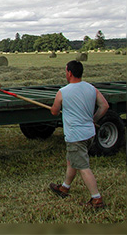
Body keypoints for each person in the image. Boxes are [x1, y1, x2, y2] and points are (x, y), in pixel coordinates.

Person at [49, 60, 109, 208]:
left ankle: (96, 199)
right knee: (72, 160)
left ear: (69, 73)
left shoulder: (63, 91)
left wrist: (57, 107)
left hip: (76, 136)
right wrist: (93, 119)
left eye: (65, 71)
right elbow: (104, 106)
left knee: (82, 166)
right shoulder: (91, 88)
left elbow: (54, 111)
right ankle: (64, 188)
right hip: (89, 133)